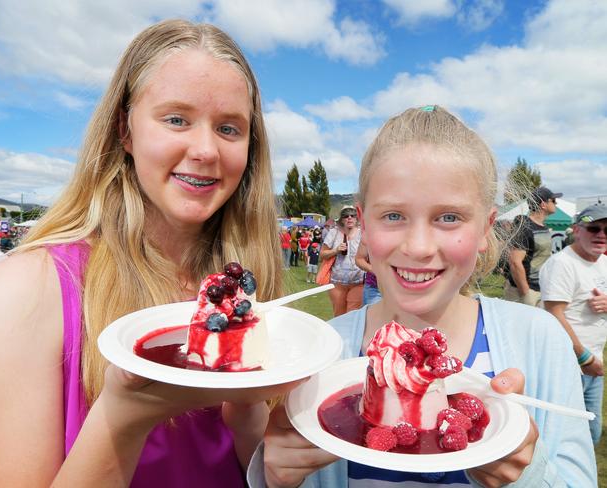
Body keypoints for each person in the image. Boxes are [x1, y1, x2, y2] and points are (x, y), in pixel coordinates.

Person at [0, 19, 300, 487]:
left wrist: (269, 449)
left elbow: (247, 465)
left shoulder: (241, 287)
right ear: (125, 131)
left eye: (228, 128)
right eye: (176, 119)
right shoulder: (26, 289)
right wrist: (123, 416)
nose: (205, 149)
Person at [251, 106, 595, 487]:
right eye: (394, 216)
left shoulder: (539, 338)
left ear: (485, 228)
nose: (417, 247)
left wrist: (524, 473)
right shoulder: (327, 354)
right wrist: (277, 477)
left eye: (448, 217)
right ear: (364, 226)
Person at [539, 203, 607, 445]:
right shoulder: (562, 264)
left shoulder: (602, 262)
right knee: (564, 436)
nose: (601, 235)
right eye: (594, 228)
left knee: (591, 432)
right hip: (569, 364)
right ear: (577, 230)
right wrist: (584, 359)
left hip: (592, 363)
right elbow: (554, 315)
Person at [505, 187, 561, 307]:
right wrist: (526, 293)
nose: (556, 203)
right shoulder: (524, 225)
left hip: (540, 290)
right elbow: (515, 262)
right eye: (553, 200)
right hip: (523, 292)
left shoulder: (543, 227)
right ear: (543, 204)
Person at [320, 206, 364, 317]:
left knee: (353, 315)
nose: (349, 218)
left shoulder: (362, 234)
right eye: (345, 215)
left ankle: (350, 335)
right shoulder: (334, 233)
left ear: (356, 218)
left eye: (352, 215)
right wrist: (336, 250)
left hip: (358, 282)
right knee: (339, 315)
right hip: (337, 283)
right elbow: (322, 254)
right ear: (341, 219)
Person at [354, 240, 381, 305]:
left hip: (401, 289)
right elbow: (359, 259)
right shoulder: (369, 234)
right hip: (374, 289)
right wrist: (374, 270)